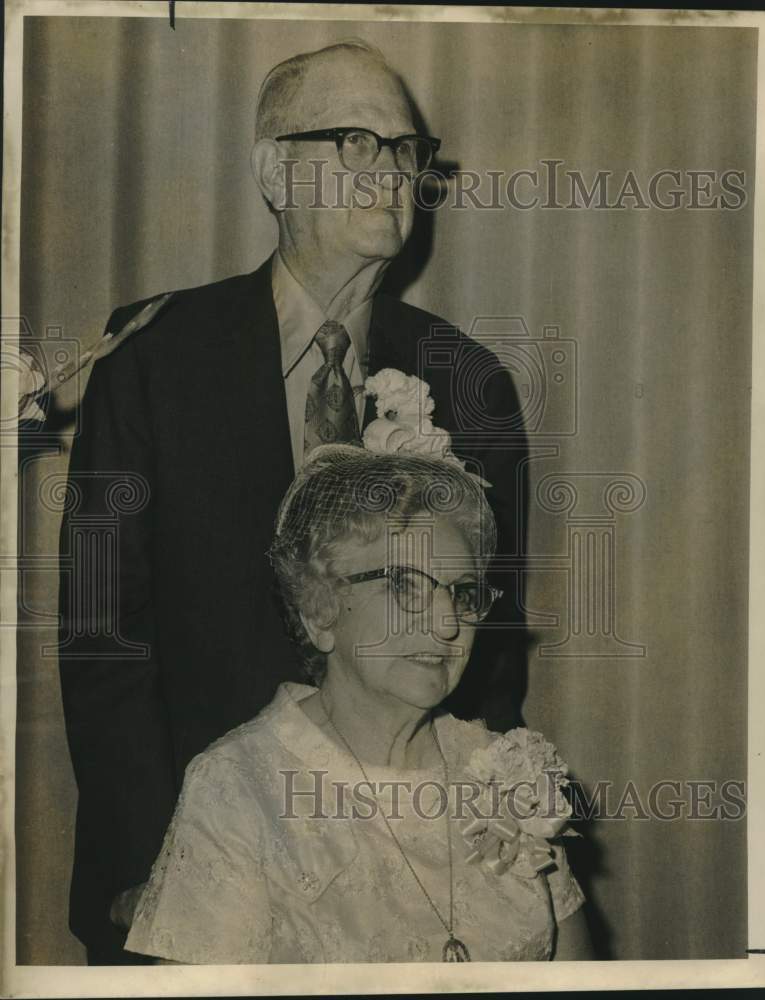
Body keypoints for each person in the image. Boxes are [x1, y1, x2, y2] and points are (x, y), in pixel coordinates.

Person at [58, 39, 525, 964]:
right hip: (190, 855)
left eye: (405, 150)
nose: (389, 171)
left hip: (401, 864)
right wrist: (155, 855)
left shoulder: (468, 380)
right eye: (355, 142)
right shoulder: (155, 356)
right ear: (275, 171)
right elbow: (102, 627)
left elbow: (491, 640)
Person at [123, 401, 590, 963]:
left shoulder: (506, 771)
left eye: (462, 593)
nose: (447, 623)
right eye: (404, 586)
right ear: (321, 611)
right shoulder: (239, 788)